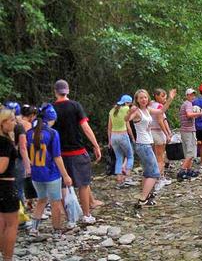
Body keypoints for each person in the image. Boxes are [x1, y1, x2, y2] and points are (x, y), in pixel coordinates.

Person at [52, 79, 101, 224]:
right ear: (68, 91)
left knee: (63, 185)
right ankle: (86, 215)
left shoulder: (50, 108)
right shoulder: (75, 106)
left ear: (55, 91)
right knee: (83, 184)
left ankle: (70, 218)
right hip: (77, 151)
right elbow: (85, 127)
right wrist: (96, 145)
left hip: (58, 153)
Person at [26, 104, 73, 237]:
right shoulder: (52, 133)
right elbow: (57, 157)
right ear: (51, 119)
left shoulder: (30, 133)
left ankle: (34, 229)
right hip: (51, 174)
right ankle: (57, 229)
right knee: (55, 202)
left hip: (36, 174)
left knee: (41, 200)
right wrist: (66, 175)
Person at [126, 89, 176, 207]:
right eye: (141, 98)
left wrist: (170, 98)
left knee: (148, 172)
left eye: (145, 97)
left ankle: (146, 196)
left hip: (147, 144)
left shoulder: (147, 109)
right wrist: (129, 112)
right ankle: (143, 198)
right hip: (143, 145)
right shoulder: (137, 111)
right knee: (154, 173)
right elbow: (127, 119)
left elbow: (161, 111)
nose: (143, 99)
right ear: (137, 100)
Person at [0, 107, 19, 261]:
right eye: (12, 120)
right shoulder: (5, 143)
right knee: (12, 224)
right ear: (3, 123)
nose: (14, 122)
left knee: (1, 222)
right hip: (6, 186)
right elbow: (1, 168)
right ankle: (7, 257)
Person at [108, 95, 134, 188]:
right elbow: (128, 126)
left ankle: (119, 181)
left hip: (114, 136)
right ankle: (127, 178)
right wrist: (133, 137)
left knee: (119, 158)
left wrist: (109, 140)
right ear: (128, 102)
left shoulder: (112, 111)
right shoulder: (126, 109)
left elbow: (109, 128)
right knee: (130, 156)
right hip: (123, 135)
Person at [177, 89, 202, 180]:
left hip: (185, 130)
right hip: (188, 131)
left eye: (193, 95)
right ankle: (182, 171)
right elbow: (188, 114)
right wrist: (199, 114)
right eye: (191, 95)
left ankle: (189, 170)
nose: (192, 97)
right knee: (191, 152)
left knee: (187, 151)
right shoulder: (188, 104)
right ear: (187, 95)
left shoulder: (185, 104)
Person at [150, 89, 173, 189]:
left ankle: (158, 177)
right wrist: (167, 134)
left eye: (165, 96)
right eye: (163, 96)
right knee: (160, 158)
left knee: (155, 157)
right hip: (158, 133)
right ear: (156, 96)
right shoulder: (158, 107)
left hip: (151, 133)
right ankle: (159, 179)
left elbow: (164, 120)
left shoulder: (151, 104)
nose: (164, 98)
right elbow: (160, 121)